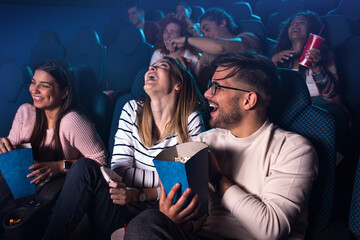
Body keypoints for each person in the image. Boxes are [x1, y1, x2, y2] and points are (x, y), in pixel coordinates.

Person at [123, 51, 318, 240]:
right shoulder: (203, 141)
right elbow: (197, 221)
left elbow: (270, 231)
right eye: (210, 85)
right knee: (146, 221)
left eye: (217, 87)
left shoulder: (294, 149)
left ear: (248, 100)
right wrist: (175, 220)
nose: (207, 93)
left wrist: (217, 177)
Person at [42, 57, 205, 239]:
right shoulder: (131, 109)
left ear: (178, 85)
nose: (152, 67)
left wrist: (140, 194)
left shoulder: (191, 119)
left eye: (163, 66)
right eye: (153, 65)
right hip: (122, 200)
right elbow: (119, 169)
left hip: (161, 210)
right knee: (84, 167)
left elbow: (184, 184)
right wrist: (161, 179)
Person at [0, 60, 107, 221]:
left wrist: (60, 166)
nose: (34, 90)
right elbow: (12, 148)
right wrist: (4, 146)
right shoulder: (25, 111)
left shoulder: (72, 121)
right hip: (21, 185)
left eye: (44, 85)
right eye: (33, 82)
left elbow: (101, 161)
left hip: (53, 193)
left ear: (64, 92)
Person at [272, 11, 351, 160]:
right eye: (292, 23)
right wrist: (271, 66)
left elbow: (331, 94)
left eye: (301, 22)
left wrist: (316, 68)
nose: (295, 25)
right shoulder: (280, 56)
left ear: (311, 28)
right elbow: (270, 93)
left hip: (321, 106)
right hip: (291, 106)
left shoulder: (324, 52)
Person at [169, 7, 262, 93]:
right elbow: (200, 86)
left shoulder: (248, 37)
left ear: (222, 23)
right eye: (202, 33)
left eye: (207, 29)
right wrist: (186, 70)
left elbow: (221, 47)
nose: (205, 35)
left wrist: (186, 39)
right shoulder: (208, 54)